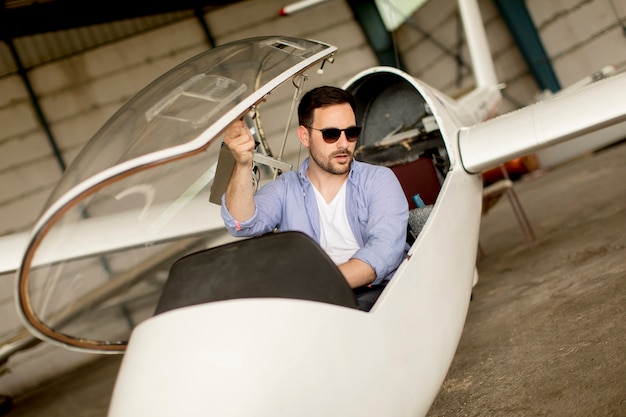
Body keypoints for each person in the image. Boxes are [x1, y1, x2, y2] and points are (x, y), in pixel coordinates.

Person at [220, 86, 408, 311]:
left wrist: (311, 285)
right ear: (305, 136)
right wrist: (241, 163)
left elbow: (382, 253)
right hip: (315, 302)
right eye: (331, 134)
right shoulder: (286, 188)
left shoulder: (379, 180)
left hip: (377, 296)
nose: (343, 144)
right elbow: (240, 223)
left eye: (351, 133)